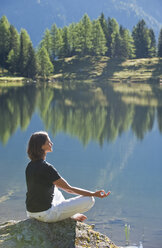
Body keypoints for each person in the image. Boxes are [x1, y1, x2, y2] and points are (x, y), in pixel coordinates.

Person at [25, 131, 111, 223]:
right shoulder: (47, 168)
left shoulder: (30, 166)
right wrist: (94, 194)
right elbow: (69, 189)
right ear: (42, 146)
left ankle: (67, 214)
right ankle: (70, 215)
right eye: (48, 142)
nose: (51, 143)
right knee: (89, 199)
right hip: (46, 215)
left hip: (31, 212)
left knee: (55, 189)